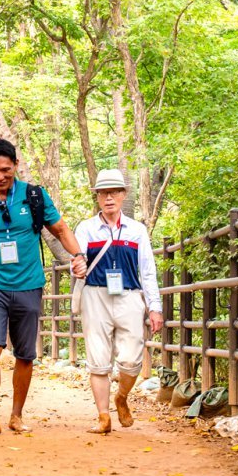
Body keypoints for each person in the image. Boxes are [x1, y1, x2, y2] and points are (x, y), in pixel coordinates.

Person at [0, 139, 86, 435]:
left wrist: (77, 256)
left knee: (25, 354)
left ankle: (16, 415)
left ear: (15, 165)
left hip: (29, 284)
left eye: (5, 169)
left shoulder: (34, 196)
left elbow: (60, 229)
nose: (0, 176)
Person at [74, 169, 163, 434]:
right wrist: (76, 267)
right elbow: (77, 261)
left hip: (128, 295)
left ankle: (121, 396)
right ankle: (103, 416)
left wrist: (154, 307)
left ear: (123, 195)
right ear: (97, 197)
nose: (108, 197)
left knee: (131, 359)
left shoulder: (137, 230)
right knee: (98, 359)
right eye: (103, 192)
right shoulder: (86, 228)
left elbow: (147, 271)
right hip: (95, 296)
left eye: (114, 192)